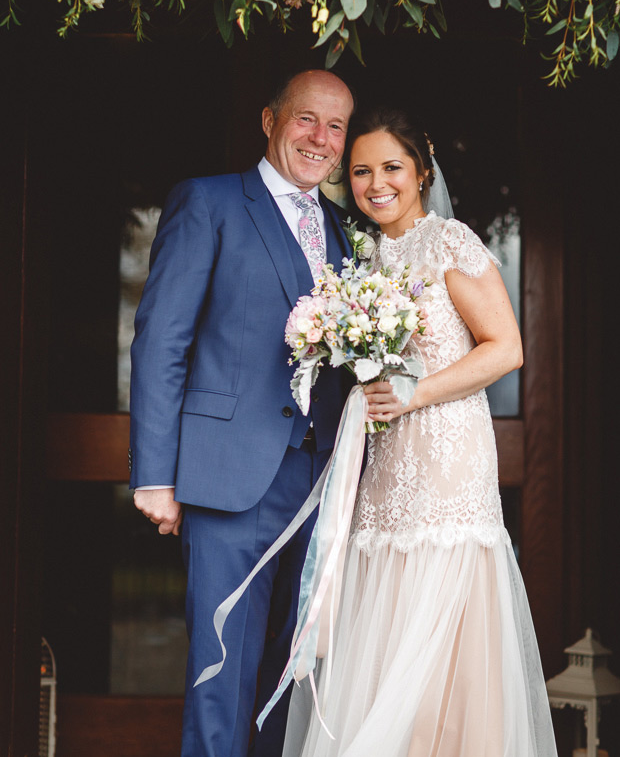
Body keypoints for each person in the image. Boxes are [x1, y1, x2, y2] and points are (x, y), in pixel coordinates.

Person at [283, 108, 558, 757]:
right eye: (361, 171)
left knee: (443, 635)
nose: (376, 183)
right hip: (385, 466)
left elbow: (506, 349)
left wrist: (414, 393)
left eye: (391, 168)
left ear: (422, 173)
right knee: (385, 621)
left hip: (445, 460)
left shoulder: (450, 242)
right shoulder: (367, 257)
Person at [129, 69, 355, 757]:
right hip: (230, 482)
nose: (320, 138)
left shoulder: (343, 230)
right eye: (306, 119)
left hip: (321, 487)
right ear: (270, 120)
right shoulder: (210, 203)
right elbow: (161, 341)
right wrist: (153, 477)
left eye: (336, 126)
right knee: (220, 675)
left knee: (293, 679)